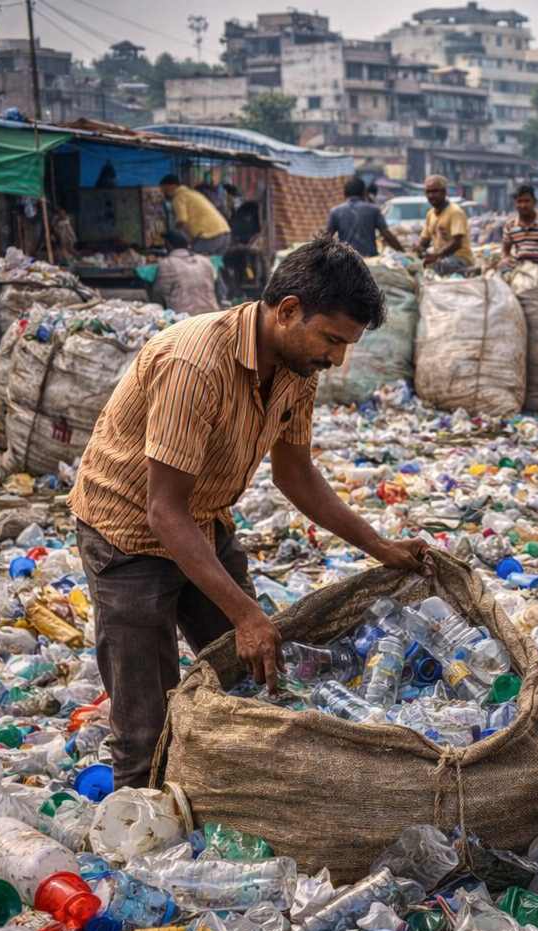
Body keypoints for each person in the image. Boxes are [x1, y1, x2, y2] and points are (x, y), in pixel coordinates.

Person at [68, 238, 431, 788]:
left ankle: (233, 787)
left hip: (203, 520)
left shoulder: (296, 369)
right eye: (332, 339)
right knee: (147, 722)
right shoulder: (195, 364)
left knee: (257, 674)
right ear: (287, 311)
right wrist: (244, 614)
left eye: (346, 346)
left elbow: (295, 475)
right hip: (127, 532)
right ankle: (141, 836)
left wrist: (380, 547)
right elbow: (163, 511)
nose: (336, 359)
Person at [324, 176, 403, 258]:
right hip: (369, 260)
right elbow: (386, 235)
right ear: (364, 192)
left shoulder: (335, 211)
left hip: (346, 260)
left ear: (345, 193)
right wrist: (402, 251)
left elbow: (326, 238)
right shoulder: (373, 210)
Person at [150, 230, 219, 315]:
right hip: (212, 313)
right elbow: (215, 285)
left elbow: (158, 293)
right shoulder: (205, 261)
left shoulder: (167, 264)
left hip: (184, 318)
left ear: (168, 245)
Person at [160, 174, 231, 256]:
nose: (163, 193)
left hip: (209, 235)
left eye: (163, 189)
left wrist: (173, 235)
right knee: (215, 265)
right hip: (225, 232)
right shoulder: (192, 193)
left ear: (171, 186)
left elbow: (182, 220)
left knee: (195, 263)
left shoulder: (178, 197)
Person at [416, 175, 474, 274]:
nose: (431, 195)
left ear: (444, 192)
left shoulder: (455, 212)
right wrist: (418, 250)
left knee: (436, 267)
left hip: (460, 258)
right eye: (428, 192)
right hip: (441, 257)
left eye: (435, 191)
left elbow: (457, 242)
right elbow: (424, 240)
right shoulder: (430, 214)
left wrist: (436, 255)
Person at [500, 184, 538, 268]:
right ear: (515, 204)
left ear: (534, 202)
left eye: (527, 201)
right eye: (519, 201)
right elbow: (505, 251)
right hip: (521, 271)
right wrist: (506, 259)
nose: (523, 205)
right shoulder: (510, 226)